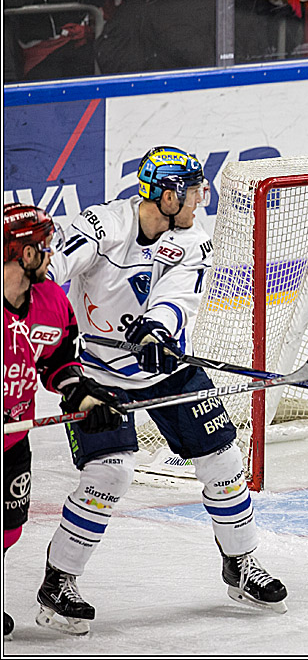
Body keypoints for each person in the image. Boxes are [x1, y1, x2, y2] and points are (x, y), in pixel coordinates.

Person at [38, 146, 288, 635]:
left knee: (223, 461)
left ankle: (241, 564)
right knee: (109, 476)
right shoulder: (103, 226)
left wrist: (156, 330)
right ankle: (58, 581)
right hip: (99, 373)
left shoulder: (193, 237)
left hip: (167, 368)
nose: (201, 198)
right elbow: (49, 274)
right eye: (193, 190)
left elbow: (180, 295)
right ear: (168, 195)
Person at [3, 204, 123, 640]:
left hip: (11, 437)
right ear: (24, 254)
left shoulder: (51, 300)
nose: (52, 256)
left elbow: (58, 362)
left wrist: (82, 394)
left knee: (10, 527)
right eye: (44, 249)